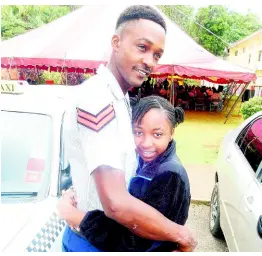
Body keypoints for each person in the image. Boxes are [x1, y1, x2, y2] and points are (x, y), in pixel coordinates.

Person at [58, 5, 197, 252]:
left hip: (106, 236)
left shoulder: (119, 98)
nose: (149, 61)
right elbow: (115, 203)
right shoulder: (97, 99)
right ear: (116, 42)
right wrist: (181, 235)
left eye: (157, 55)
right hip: (94, 242)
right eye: (142, 47)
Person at [58, 95, 191, 252]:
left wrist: (76, 217)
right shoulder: (140, 159)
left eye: (157, 134)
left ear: (171, 133)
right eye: (138, 132)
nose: (146, 143)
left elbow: (133, 241)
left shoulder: (169, 175)